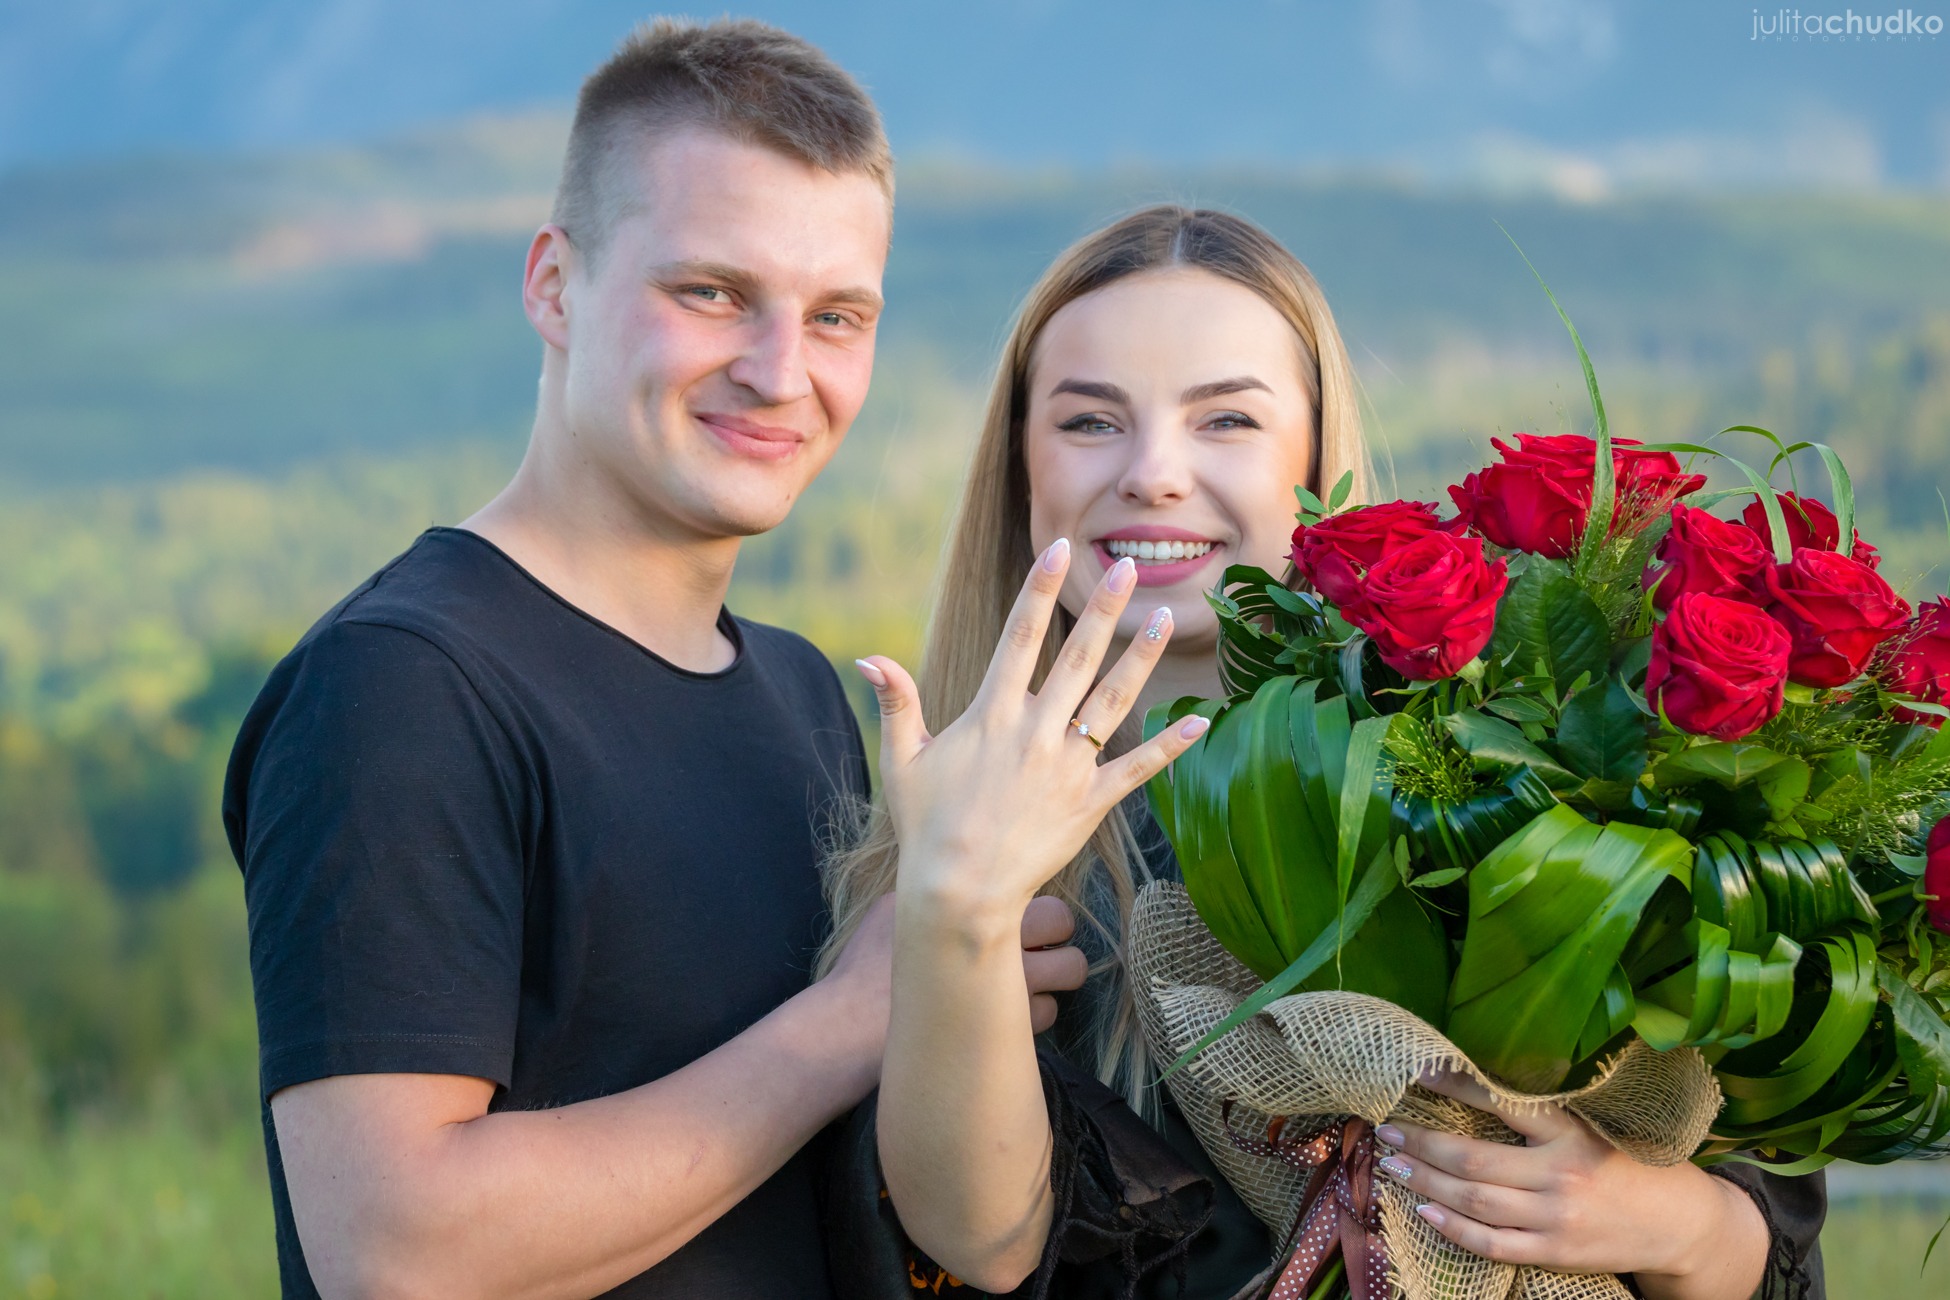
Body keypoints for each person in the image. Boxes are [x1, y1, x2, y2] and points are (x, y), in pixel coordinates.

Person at [222, 19, 1103, 1299]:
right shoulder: (404, 688)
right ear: (553, 284)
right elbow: (398, 1250)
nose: (778, 371)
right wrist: (851, 1020)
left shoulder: (802, 690)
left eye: (837, 314)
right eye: (710, 292)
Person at [820, 205, 1826, 1299]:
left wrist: (1661, 1222)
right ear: (1020, 469)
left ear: (1315, 458)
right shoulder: (942, 832)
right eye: (1090, 421)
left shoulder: (1490, 777)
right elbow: (986, 1241)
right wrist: (954, 911)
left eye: (1227, 422)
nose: (1155, 472)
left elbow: (1765, 1248)